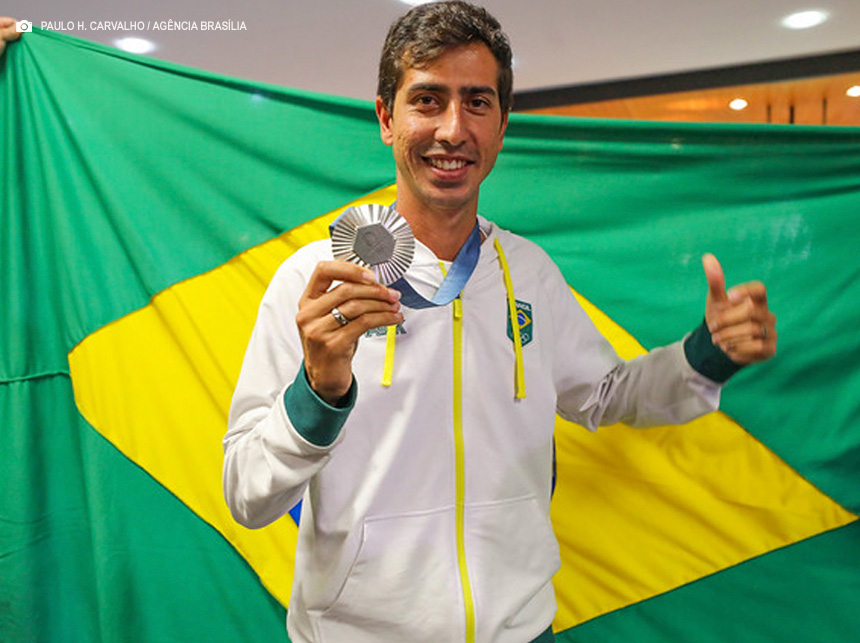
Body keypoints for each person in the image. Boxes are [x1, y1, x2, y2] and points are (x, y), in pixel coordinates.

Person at [224, 2, 776, 642]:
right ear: (385, 117)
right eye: (427, 101)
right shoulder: (316, 280)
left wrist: (706, 354)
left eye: (477, 102)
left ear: (502, 123)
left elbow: (604, 395)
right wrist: (317, 391)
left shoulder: (529, 272)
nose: (453, 129)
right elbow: (248, 495)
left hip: (521, 630)